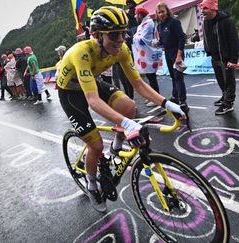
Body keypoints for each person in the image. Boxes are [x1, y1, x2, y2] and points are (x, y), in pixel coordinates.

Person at [56, 6, 186, 212]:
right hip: (71, 93)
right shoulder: (82, 53)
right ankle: (91, 185)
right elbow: (93, 100)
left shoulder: (122, 49)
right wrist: (127, 125)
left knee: (129, 106)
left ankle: (116, 148)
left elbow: (139, 85)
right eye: (115, 34)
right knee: (96, 146)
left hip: (89, 82)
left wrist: (168, 104)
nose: (121, 39)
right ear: (97, 35)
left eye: (124, 33)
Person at [200, 0, 239, 115]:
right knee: (220, 80)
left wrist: (233, 59)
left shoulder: (226, 21)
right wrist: (209, 51)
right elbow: (207, 38)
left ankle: (228, 104)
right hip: (215, 57)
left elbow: (234, 41)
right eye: (202, 9)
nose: (202, 11)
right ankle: (224, 96)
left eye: (205, 8)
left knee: (229, 81)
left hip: (226, 58)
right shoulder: (206, 21)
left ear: (213, 9)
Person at [156, 2, 188, 105]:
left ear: (167, 11)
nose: (161, 14)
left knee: (178, 77)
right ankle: (175, 96)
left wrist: (179, 55)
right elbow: (162, 40)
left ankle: (182, 101)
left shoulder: (174, 22)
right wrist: (157, 42)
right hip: (168, 53)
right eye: (159, 12)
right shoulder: (160, 26)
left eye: (163, 11)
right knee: (173, 77)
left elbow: (182, 37)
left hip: (176, 52)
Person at [133, 6, 162, 107]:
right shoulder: (144, 24)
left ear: (140, 15)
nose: (135, 17)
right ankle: (154, 97)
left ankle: (156, 99)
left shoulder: (148, 23)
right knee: (150, 77)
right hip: (146, 54)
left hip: (149, 54)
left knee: (152, 77)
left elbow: (141, 39)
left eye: (136, 14)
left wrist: (132, 38)